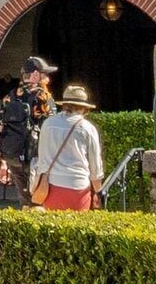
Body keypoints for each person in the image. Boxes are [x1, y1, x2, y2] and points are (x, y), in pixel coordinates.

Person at [32, 82, 107, 213]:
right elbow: (95, 167)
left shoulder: (48, 124)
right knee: (77, 224)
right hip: (78, 187)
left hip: (50, 186)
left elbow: (42, 157)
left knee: (52, 223)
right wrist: (98, 193)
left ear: (64, 104)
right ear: (84, 108)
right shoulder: (87, 128)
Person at [0, 60, 53, 207]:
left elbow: (0, 129)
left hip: (13, 156)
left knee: (24, 200)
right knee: (39, 201)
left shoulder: (10, 97)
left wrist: (1, 161)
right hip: (36, 157)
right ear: (35, 74)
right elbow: (51, 129)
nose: (48, 79)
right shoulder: (43, 97)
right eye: (45, 74)